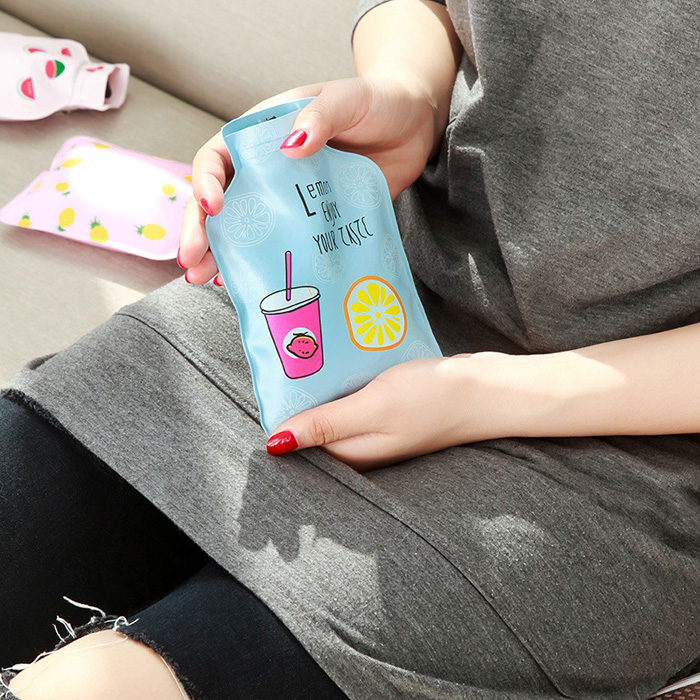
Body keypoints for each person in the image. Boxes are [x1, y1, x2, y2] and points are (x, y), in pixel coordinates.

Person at [1, 0, 699, 698]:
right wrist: (407, 96)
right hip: (369, 277)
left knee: (100, 686)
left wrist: (477, 396)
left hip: (633, 452)